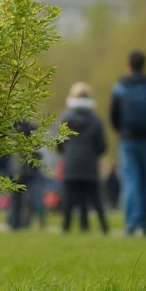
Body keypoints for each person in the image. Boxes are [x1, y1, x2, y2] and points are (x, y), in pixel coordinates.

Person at [109, 50, 146, 236]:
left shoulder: (120, 88)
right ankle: (143, 223)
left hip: (128, 140)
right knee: (145, 182)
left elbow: (113, 116)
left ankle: (131, 224)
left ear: (128, 64)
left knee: (130, 181)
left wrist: (122, 131)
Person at [57, 83, 109, 234]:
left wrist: (67, 153)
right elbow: (102, 145)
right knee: (94, 199)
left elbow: (60, 143)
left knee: (69, 199)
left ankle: (66, 227)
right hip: (90, 163)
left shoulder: (65, 118)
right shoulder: (96, 120)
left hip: (71, 163)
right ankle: (102, 227)